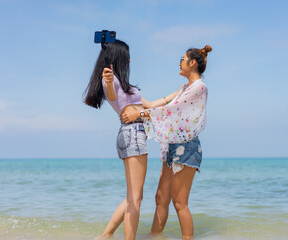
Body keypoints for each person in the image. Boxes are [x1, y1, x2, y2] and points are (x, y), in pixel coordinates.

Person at [122, 45, 211, 239]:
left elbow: (171, 110)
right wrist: (127, 89)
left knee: (179, 203)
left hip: (187, 147)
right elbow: (158, 104)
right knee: (161, 198)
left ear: (192, 62)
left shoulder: (199, 87)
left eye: (183, 58)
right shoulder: (185, 88)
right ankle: (153, 236)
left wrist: (139, 114)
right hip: (172, 147)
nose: (180, 62)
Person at [83, 39, 148, 240]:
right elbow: (110, 92)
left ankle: (106, 235)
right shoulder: (111, 81)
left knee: (133, 197)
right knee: (135, 199)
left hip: (129, 134)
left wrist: (179, 95)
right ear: (120, 58)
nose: (130, 59)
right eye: (127, 55)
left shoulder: (126, 86)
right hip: (133, 135)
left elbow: (152, 106)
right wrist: (109, 82)